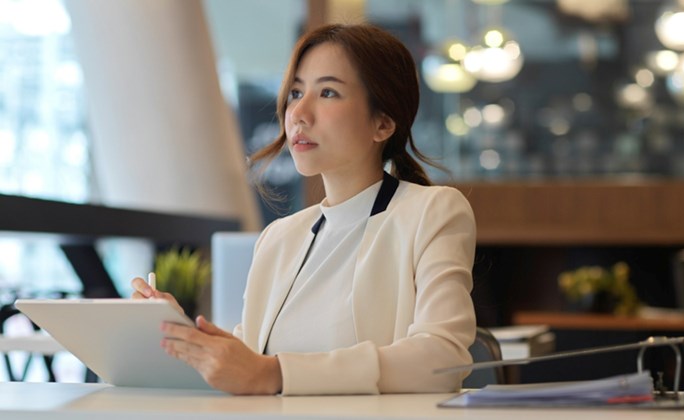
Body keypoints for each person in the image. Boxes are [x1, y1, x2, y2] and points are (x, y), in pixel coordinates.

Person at [131, 23, 477, 396]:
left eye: (328, 92)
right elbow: (250, 365)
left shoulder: (431, 212)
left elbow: (443, 359)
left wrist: (275, 374)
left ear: (383, 123)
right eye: (296, 92)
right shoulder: (278, 238)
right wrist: (182, 333)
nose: (298, 112)